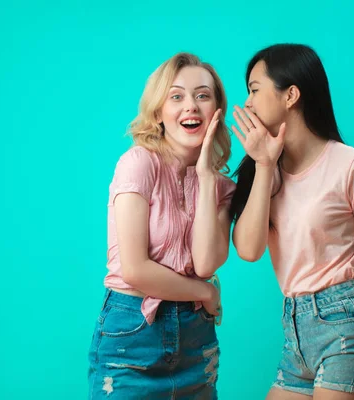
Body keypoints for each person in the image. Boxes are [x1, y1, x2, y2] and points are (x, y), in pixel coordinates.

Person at [229, 44, 354, 400]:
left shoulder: (353, 166)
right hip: (295, 334)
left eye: (254, 89)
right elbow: (249, 251)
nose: (247, 103)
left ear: (291, 95)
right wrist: (264, 165)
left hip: (346, 326)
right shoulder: (263, 170)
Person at [88, 52, 235, 399]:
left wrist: (205, 176)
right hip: (132, 332)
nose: (191, 107)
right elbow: (136, 270)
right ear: (158, 112)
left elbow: (205, 263)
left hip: (196, 337)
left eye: (203, 95)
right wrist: (205, 292)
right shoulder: (138, 163)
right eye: (177, 96)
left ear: (217, 110)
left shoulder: (221, 188)